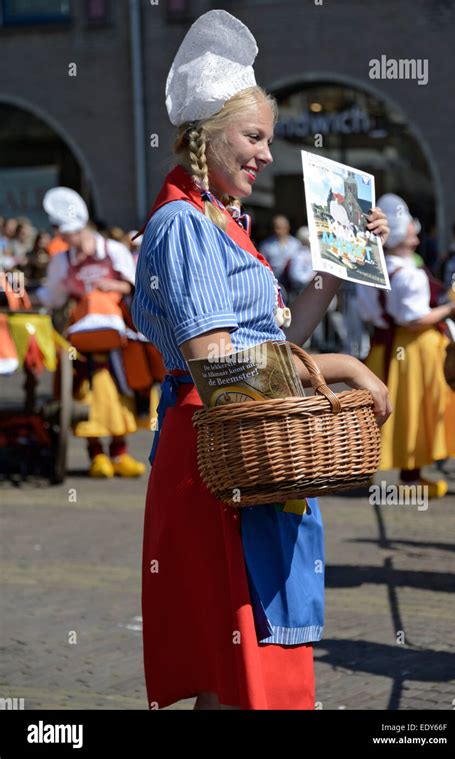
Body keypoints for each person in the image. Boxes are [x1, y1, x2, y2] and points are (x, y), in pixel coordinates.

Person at [132, 9, 390, 711]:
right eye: (253, 137)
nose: (266, 155)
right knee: (240, 665)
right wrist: (339, 367)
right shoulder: (182, 226)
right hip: (219, 454)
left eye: (267, 140)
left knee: (246, 666)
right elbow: (219, 367)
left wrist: (337, 269)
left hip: (247, 452)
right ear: (203, 137)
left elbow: (275, 337)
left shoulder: (222, 223)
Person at [356, 194, 455, 498]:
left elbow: (372, 312)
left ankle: (373, 472)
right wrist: (452, 308)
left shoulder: (369, 269)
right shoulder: (408, 273)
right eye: (411, 230)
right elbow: (415, 320)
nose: (417, 235)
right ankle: (410, 479)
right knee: (414, 411)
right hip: (415, 349)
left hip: (383, 348)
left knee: (382, 412)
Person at [37, 187, 147, 478]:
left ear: (81, 228)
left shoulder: (113, 250)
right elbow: (55, 297)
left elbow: (135, 286)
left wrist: (116, 287)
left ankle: (120, 453)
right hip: (82, 344)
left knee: (121, 395)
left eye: (68, 233)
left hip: (117, 341)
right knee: (86, 397)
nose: (66, 239)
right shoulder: (62, 260)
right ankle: (96, 454)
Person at [260, 214, 302, 300]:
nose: (276, 230)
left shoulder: (296, 244)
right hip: (275, 282)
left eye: (279, 227)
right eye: (275, 227)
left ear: (287, 228)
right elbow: (262, 265)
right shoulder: (266, 245)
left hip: (294, 284)